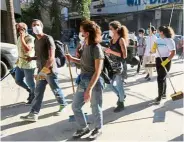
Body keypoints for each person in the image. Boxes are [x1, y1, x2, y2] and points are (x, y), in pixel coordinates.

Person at [20, 19, 67, 122]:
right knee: (38, 92)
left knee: (55, 89)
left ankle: (63, 104)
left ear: (41, 26)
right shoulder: (36, 41)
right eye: (34, 25)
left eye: (38, 25)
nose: (36, 26)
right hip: (41, 70)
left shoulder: (48, 39)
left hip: (49, 70)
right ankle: (34, 113)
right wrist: (32, 58)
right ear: (31, 28)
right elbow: (40, 56)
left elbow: (51, 58)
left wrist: (43, 72)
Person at [65, 20, 104, 140]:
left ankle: (98, 128)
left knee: (95, 107)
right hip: (82, 80)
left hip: (94, 82)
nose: (79, 32)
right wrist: (72, 59)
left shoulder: (96, 48)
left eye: (81, 31)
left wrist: (89, 89)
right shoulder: (85, 45)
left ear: (87, 33)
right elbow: (83, 63)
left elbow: (98, 71)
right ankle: (84, 127)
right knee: (76, 106)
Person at [105, 21, 128, 112]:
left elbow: (124, 55)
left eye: (111, 29)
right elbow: (110, 52)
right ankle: (121, 95)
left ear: (116, 29)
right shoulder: (111, 40)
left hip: (119, 66)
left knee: (119, 85)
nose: (110, 30)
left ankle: (121, 103)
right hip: (111, 65)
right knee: (109, 85)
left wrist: (111, 52)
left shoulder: (121, 40)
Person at [151, 26, 176, 104]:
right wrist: (153, 48)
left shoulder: (170, 41)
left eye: (159, 31)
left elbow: (173, 53)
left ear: (162, 32)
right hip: (158, 59)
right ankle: (163, 93)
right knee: (163, 77)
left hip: (166, 60)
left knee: (160, 78)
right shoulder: (157, 40)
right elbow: (153, 51)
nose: (158, 32)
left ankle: (159, 97)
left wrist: (166, 61)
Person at [15, 22, 36, 104]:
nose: (18, 29)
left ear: (24, 29)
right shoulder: (18, 37)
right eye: (17, 28)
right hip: (20, 63)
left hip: (28, 64)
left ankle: (33, 95)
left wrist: (22, 38)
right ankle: (30, 91)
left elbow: (27, 49)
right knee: (18, 80)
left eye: (19, 28)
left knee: (30, 82)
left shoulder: (30, 38)